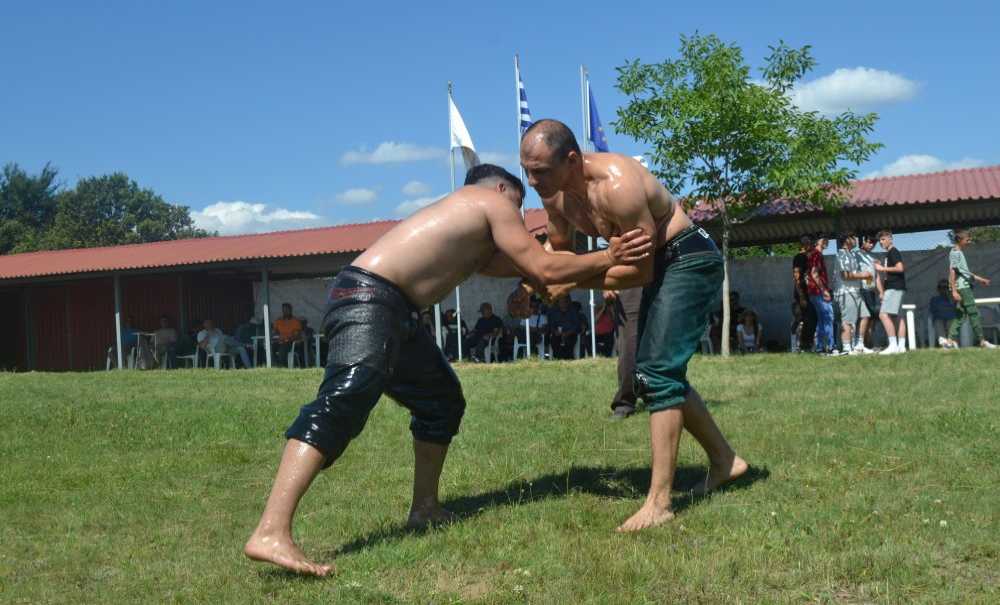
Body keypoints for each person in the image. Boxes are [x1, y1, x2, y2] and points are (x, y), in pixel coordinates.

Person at [244, 163, 652, 576]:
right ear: (499, 189)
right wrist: (608, 255)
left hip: (395, 310)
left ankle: (425, 509)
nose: (517, 214)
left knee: (440, 402)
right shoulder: (490, 200)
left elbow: (538, 269)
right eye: (518, 202)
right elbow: (545, 266)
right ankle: (271, 531)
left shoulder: (467, 234)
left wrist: (531, 288)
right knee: (345, 397)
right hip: (368, 297)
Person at [515, 119, 747, 532]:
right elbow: (561, 254)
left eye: (541, 171)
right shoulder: (555, 197)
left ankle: (659, 503)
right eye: (526, 170)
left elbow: (637, 272)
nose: (532, 181)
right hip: (656, 264)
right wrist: (532, 286)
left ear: (571, 159)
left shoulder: (616, 186)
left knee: (657, 372)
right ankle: (725, 462)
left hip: (688, 258)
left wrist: (566, 280)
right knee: (655, 374)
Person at [942, 228, 996, 349]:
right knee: (974, 313)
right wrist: (954, 290)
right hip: (963, 289)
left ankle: (949, 342)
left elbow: (965, 272)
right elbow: (952, 271)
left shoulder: (957, 252)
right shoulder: (956, 252)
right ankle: (982, 341)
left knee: (960, 316)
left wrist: (981, 279)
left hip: (963, 287)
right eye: (967, 239)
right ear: (960, 240)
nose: (969, 241)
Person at [608, 287, 643, 417]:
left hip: (662, 278)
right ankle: (625, 402)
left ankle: (660, 392)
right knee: (629, 346)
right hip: (631, 283)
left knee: (661, 342)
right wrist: (606, 286)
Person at [834, 233, 868, 355]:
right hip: (846, 292)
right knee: (848, 321)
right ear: (847, 240)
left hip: (856, 291)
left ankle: (859, 345)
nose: (855, 240)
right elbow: (845, 275)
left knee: (865, 315)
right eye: (853, 238)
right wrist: (863, 275)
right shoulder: (841, 255)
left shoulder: (851, 254)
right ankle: (847, 348)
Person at [874, 230, 907, 354]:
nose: (881, 243)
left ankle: (893, 346)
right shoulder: (889, 254)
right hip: (898, 287)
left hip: (894, 287)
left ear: (890, 239)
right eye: (880, 241)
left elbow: (900, 268)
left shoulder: (893, 252)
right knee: (898, 317)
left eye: (883, 239)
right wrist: (882, 266)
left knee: (883, 315)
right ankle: (901, 347)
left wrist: (882, 268)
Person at [806, 236, 837, 355]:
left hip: (815, 292)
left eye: (827, 240)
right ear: (816, 242)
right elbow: (814, 274)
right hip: (818, 292)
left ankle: (820, 348)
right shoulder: (816, 254)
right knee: (829, 318)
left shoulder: (815, 254)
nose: (826, 242)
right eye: (823, 240)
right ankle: (831, 347)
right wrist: (824, 290)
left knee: (822, 321)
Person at [853, 234, 879, 353]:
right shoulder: (856, 254)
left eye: (874, 243)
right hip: (862, 290)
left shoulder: (873, 257)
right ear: (863, 241)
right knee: (866, 316)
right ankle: (860, 344)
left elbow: (876, 276)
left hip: (871, 290)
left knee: (872, 317)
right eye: (869, 242)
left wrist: (881, 292)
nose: (872, 244)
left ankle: (867, 344)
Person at [792, 236, 815, 353]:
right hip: (801, 294)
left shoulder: (807, 258)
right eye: (809, 244)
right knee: (801, 320)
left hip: (808, 294)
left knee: (809, 320)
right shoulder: (799, 257)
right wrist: (801, 296)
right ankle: (797, 346)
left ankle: (805, 345)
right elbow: (796, 277)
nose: (811, 246)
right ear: (803, 245)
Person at [928, 279, 958, 346]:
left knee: (951, 323)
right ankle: (944, 342)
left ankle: (952, 342)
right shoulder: (934, 299)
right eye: (941, 288)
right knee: (938, 323)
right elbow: (933, 310)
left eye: (946, 288)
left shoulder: (953, 298)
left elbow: (956, 309)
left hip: (951, 318)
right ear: (938, 289)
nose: (944, 290)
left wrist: (950, 297)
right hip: (939, 318)